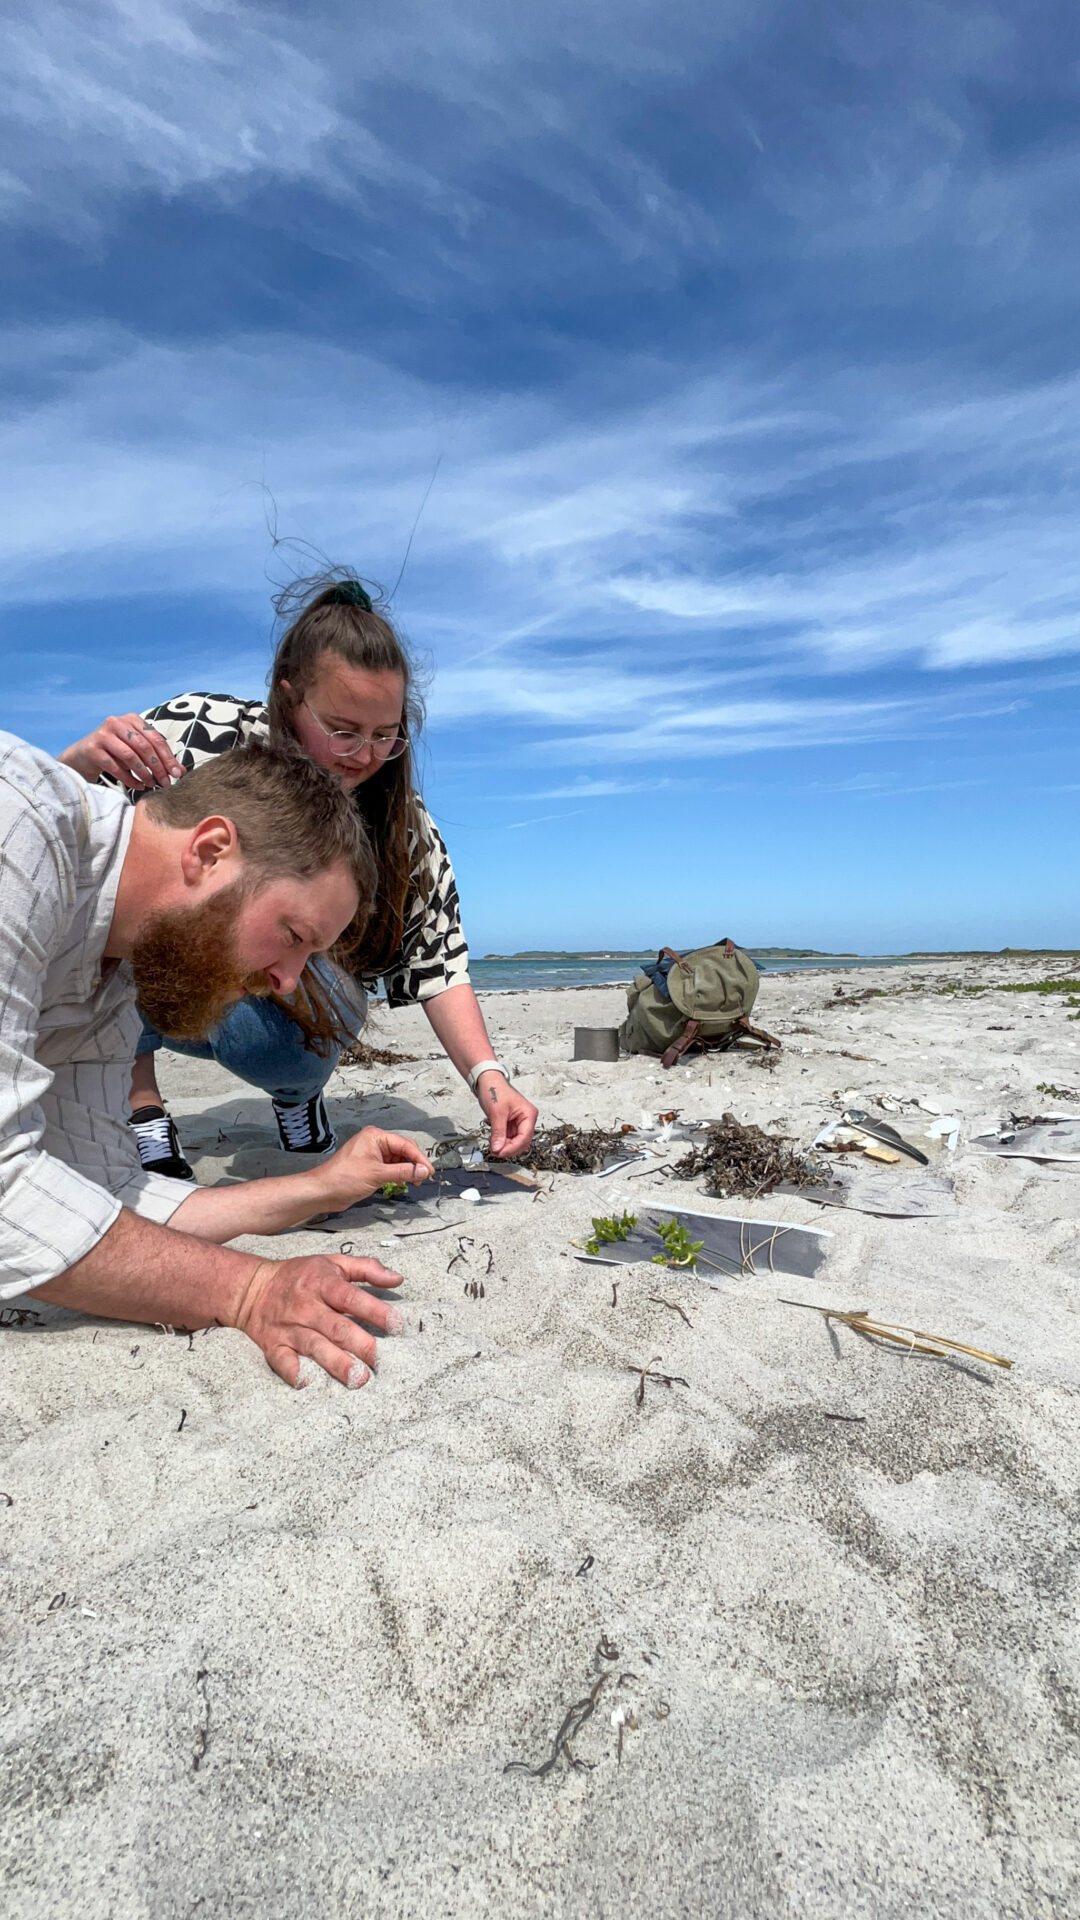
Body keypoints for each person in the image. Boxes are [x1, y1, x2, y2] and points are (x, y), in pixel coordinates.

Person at [59, 575, 539, 1178]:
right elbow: (67, 848)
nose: (364, 755)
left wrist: (489, 1080)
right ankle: (142, 1105)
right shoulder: (202, 733)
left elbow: (437, 963)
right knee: (130, 911)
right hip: (163, 976)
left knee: (293, 995)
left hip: (276, 1004)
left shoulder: (402, 825)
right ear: (289, 702)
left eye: (384, 735)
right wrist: (75, 765)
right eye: (342, 730)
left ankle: (295, 1093)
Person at [0, 730, 435, 1389]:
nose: (289, 982)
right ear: (209, 851)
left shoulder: (111, 981)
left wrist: (318, 1187)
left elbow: (108, 1192)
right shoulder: (21, 830)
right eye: (293, 936)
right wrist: (248, 1290)